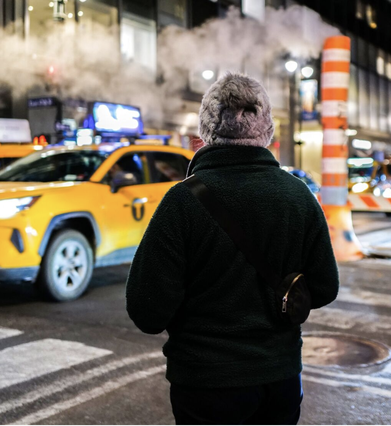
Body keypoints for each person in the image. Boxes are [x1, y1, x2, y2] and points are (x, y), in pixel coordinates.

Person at [126, 72, 339, 425]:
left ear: (205, 132)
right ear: (267, 129)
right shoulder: (298, 196)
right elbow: (324, 287)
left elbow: (147, 312)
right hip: (280, 376)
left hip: (204, 383)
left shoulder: (181, 203)